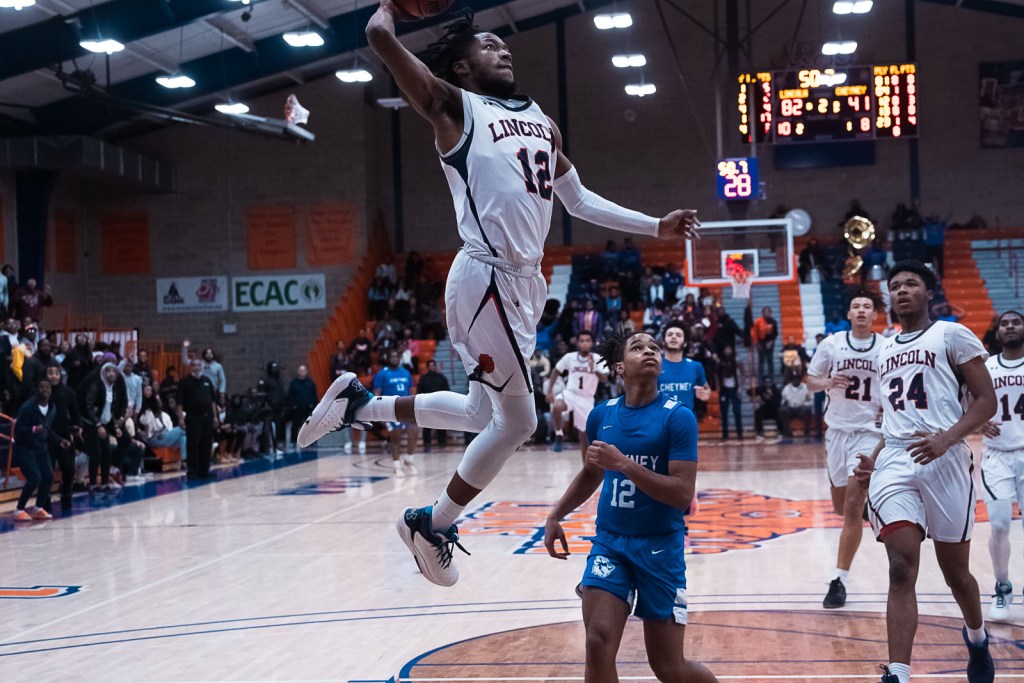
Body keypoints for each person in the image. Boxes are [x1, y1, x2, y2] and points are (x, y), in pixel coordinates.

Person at [297, 4, 700, 587]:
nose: (504, 50)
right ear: (462, 67)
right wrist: (389, 8)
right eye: (489, 46)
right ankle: (430, 522)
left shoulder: (541, 120)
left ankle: (358, 405)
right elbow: (378, 37)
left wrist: (655, 225)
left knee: (484, 413)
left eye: (503, 46)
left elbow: (580, 201)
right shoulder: (453, 108)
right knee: (519, 422)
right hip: (484, 273)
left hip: (523, 283)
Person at [543, 331, 717, 683]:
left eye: (654, 347)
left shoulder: (677, 417)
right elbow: (591, 473)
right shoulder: (601, 415)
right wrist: (555, 514)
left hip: (661, 547)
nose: (650, 351)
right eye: (638, 347)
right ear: (620, 366)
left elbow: (683, 494)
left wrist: (623, 464)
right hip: (611, 543)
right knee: (597, 643)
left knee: (669, 669)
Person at [854, 261, 996, 683]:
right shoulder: (883, 349)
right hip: (896, 460)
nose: (901, 291)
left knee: (957, 575)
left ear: (929, 294)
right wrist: (876, 455)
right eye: (895, 286)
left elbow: (986, 401)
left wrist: (947, 439)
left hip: (946, 458)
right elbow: (894, 418)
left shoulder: (950, 334)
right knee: (901, 564)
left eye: (911, 284)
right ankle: (898, 672)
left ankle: (977, 638)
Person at [805, 291, 884, 608]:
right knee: (840, 506)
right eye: (856, 306)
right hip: (837, 432)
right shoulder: (832, 344)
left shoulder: (886, 347)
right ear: (849, 314)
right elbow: (810, 381)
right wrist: (827, 382)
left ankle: (839, 579)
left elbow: (897, 384)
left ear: (875, 314)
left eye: (867, 306)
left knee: (851, 507)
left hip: (869, 432)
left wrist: (888, 411)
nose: (862, 310)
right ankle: (864, 504)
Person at [977, 310, 1024, 620]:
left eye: (1016, 322)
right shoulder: (987, 367)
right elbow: (969, 403)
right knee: (998, 524)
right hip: (997, 455)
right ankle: (1002, 585)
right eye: (1004, 323)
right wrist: (979, 423)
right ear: (997, 332)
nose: (1009, 326)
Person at [547, 330, 607, 458]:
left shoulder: (598, 359)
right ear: (577, 343)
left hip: (586, 399)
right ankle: (559, 434)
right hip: (570, 394)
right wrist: (549, 391)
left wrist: (594, 369)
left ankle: (586, 468)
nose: (584, 343)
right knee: (556, 406)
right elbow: (555, 371)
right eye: (582, 341)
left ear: (592, 343)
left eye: (587, 341)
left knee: (584, 437)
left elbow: (605, 379)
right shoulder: (570, 357)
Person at [11, 379, 56, 521]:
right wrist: (33, 429)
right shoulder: (27, 407)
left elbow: (48, 429)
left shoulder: (52, 407)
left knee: (48, 476)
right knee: (34, 478)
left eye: (47, 387)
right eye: (41, 387)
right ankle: (19, 510)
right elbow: (18, 429)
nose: (45, 390)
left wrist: (60, 441)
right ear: (36, 390)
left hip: (41, 447)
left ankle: (38, 508)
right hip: (25, 447)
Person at [373, 350, 418, 477]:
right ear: (388, 358)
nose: (394, 358)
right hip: (390, 409)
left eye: (396, 356)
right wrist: (378, 411)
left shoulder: (405, 372)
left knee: (414, 431)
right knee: (396, 437)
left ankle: (409, 459)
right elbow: (377, 392)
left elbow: (411, 390)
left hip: (405, 407)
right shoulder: (382, 374)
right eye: (392, 356)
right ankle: (396, 465)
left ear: (399, 359)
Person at [45, 362, 82, 514]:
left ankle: (66, 495)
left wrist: (77, 426)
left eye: (57, 373)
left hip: (65, 436)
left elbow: (75, 412)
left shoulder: (68, 392)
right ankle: (44, 501)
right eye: (50, 373)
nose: (53, 376)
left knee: (68, 468)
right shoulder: (41, 392)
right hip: (46, 437)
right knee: (47, 471)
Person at [176, 359, 217, 481]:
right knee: (193, 445)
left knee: (206, 444)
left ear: (202, 367)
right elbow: (179, 403)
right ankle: (192, 471)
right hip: (193, 417)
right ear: (190, 367)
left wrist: (215, 416)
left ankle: (204, 470)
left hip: (207, 417)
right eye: (194, 365)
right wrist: (181, 419)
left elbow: (213, 401)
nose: (196, 367)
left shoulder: (207, 381)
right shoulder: (184, 383)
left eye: (199, 365)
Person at [658, 324, 710, 411]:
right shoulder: (654, 366)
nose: (674, 337)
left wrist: (705, 394)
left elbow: (707, 389)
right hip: (660, 422)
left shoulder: (696, 366)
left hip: (687, 422)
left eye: (678, 335)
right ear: (663, 341)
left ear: (685, 343)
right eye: (670, 334)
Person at [417, 359, 451, 451]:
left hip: (440, 405)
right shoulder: (423, 379)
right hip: (427, 404)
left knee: (441, 424)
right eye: (430, 365)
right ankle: (427, 442)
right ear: (428, 367)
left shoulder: (442, 378)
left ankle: (442, 441)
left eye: (433, 365)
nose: (432, 367)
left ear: (436, 366)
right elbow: (419, 392)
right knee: (427, 425)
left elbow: (447, 390)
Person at [287, 365, 318, 449]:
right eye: (300, 370)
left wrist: (312, 405)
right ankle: (293, 442)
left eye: (304, 370)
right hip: (297, 408)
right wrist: (293, 405)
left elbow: (314, 395)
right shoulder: (294, 383)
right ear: (298, 372)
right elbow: (290, 396)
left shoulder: (310, 383)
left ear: (306, 372)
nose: (302, 372)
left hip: (308, 408)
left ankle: (312, 441)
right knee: (295, 426)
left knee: (310, 426)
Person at [751, 306, 778, 381]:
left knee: (770, 360)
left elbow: (776, 333)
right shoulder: (758, 321)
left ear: (770, 313)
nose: (766, 313)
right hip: (761, 343)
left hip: (770, 343)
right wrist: (756, 343)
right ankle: (760, 378)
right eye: (765, 312)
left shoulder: (773, 322)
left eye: (768, 312)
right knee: (761, 360)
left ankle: (771, 377)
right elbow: (754, 333)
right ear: (762, 313)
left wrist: (772, 341)